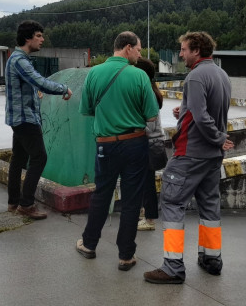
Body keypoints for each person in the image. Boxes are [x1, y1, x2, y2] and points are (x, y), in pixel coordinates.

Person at [144, 31, 234, 285]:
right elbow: (209, 111)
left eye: (183, 49)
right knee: (209, 206)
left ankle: (172, 267)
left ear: (196, 50)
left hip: (190, 153)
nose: (181, 54)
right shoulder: (221, 74)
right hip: (211, 158)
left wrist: (217, 137)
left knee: (172, 203)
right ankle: (211, 258)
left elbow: (203, 117)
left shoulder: (195, 76)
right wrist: (185, 110)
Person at [75, 32, 159, 272]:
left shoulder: (94, 73)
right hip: (135, 143)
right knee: (132, 199)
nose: (140, 54)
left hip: (106, 144)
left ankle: (89, 244)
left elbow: (87, 109)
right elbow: (151, 115)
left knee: (102, 194)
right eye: (139, 50)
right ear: (128, 48)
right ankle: (125, 256)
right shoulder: (140, 76)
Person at [4, 20, 72, 220]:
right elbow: (40, 81)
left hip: (19, 118)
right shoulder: (20, 60)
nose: (42, 40)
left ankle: (13, 202)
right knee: (39, 158)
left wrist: (35, 93)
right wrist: (64, 89)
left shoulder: (15, 59)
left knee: (18, 159)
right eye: (38, 36)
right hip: (26, 119)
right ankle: (26, 204)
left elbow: (29, 85)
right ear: (28, 38)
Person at [134, 57, 165, 232]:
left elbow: (150, 125)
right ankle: (145, 212)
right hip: (149, 143)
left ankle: (150, 219)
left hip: (149, 143)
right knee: (144, 181)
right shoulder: (149, 90)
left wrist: (130, 126)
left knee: (147, 183)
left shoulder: (149, 94)